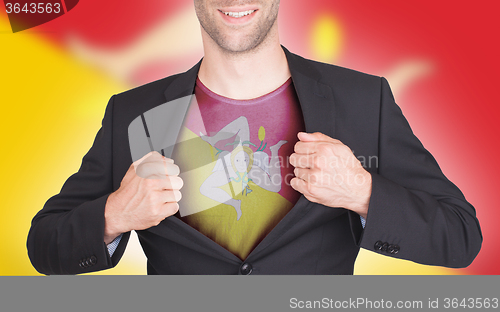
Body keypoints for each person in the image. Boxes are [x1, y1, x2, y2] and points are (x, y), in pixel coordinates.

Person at [27, 0, 482, 274]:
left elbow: (461, 236)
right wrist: (114, 215)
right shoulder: (134, 113)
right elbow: (43, 245)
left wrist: (362, 192)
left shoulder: (364, 100)